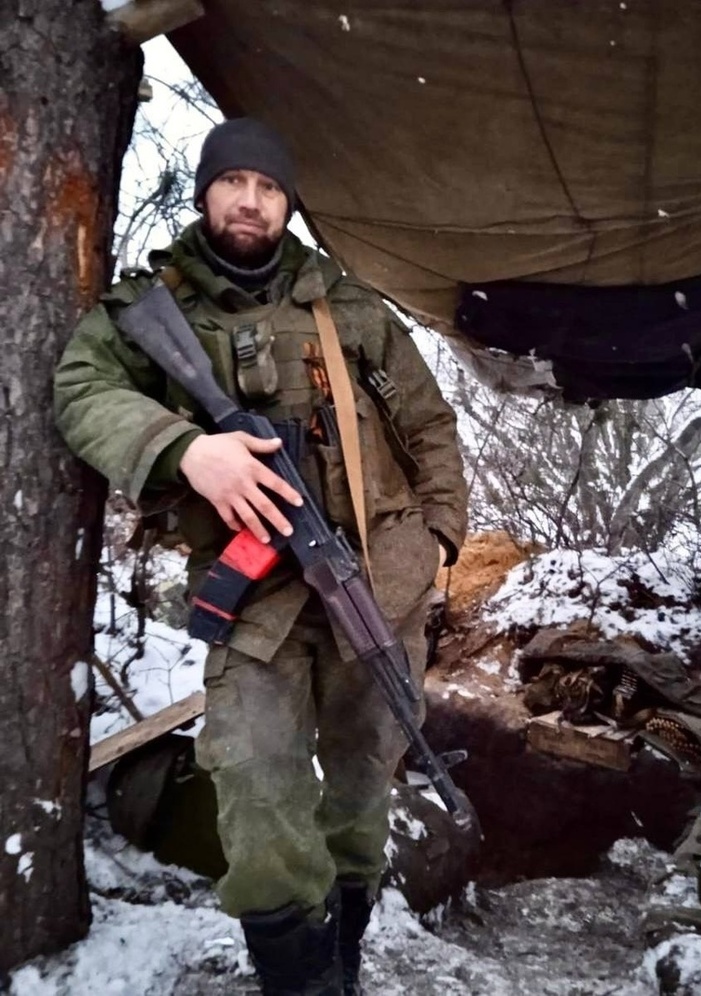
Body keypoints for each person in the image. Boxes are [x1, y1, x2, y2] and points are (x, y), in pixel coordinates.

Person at [54, 118, 468, 995]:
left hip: (377, 583)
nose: (251, 199)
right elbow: (81, 389)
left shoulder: (347, 305)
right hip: (258, 603)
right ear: (206, 193)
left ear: (288, 203)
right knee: (252, 783)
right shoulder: (150, 307)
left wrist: (440, 537)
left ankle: (343, 962)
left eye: (269, 187)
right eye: (234, 181)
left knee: (362, 784)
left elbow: (430, 425)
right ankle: (296, 977)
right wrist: (182, 447)